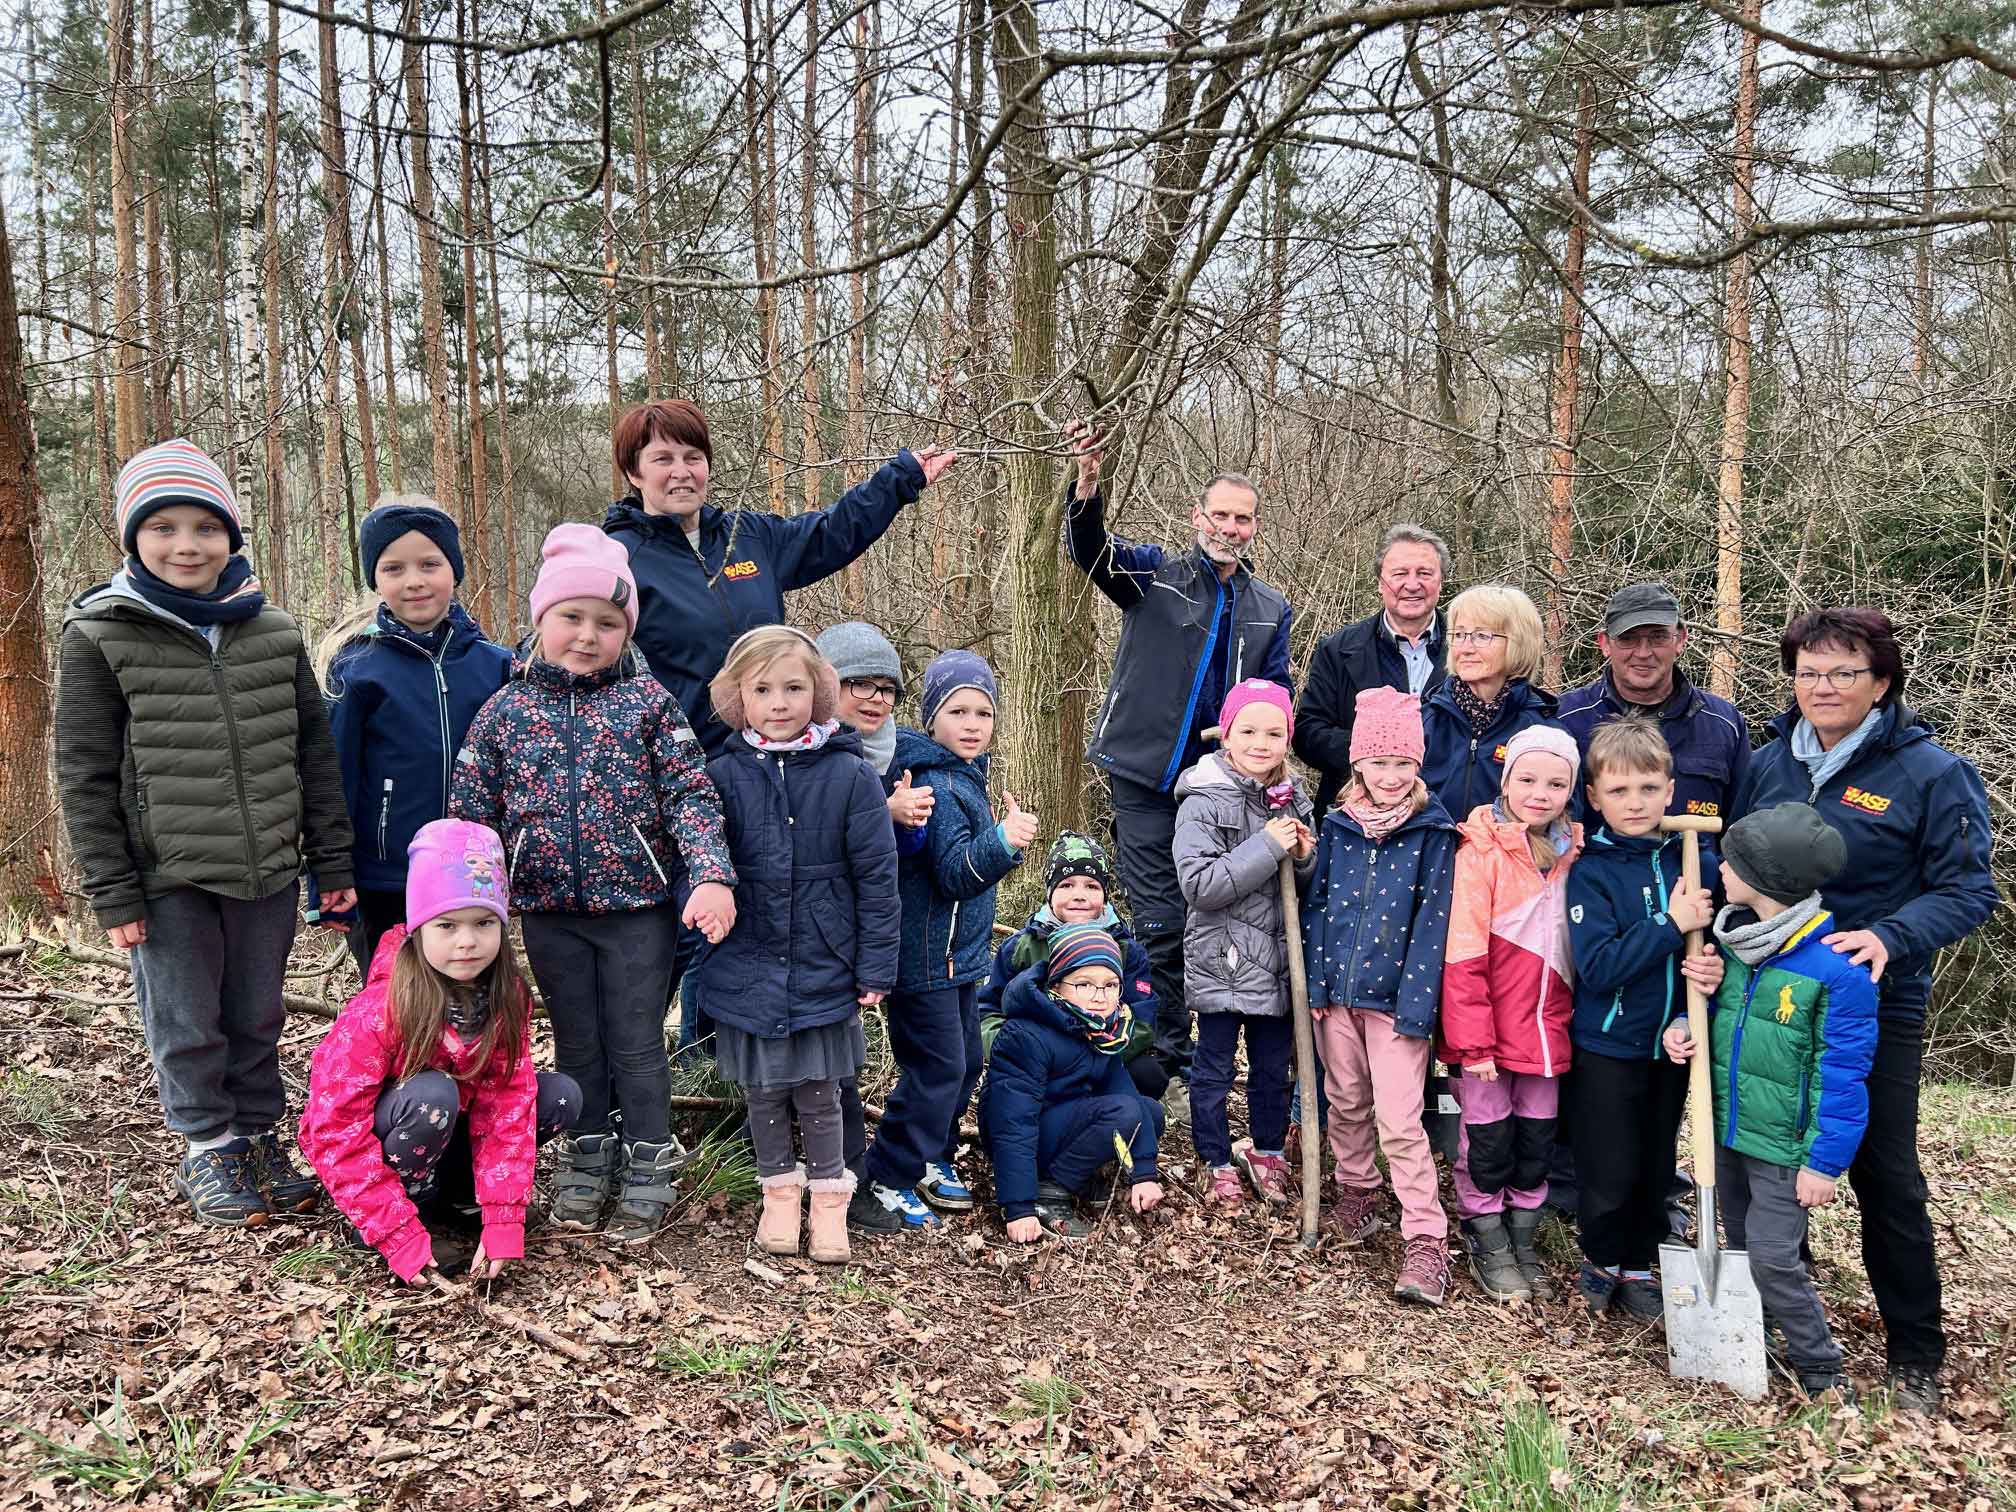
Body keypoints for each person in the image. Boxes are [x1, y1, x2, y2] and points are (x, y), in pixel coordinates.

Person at [55, 439, 355, 1225]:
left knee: (256, 1012)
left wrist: (330, 859)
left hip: (266, 867)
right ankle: (208, 1146)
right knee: (186, 1017)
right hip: (167, 873)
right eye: (164, 528)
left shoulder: (273, 630)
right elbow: (84, 777)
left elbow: (313, 753)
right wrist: (112, 890)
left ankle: (258, 1137)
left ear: (232, 535)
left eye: (204, 527)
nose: (187, 545)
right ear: (134, 539)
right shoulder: (99, 635)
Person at [1734, 607, 1998, 1414]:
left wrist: (1890, 935)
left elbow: (1969, 888)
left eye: (1843, 671)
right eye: (1809, 670)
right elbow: (1740, 866)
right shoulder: (1768, 762)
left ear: (1882, 683)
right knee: (1774, 1160)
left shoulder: (1930, 774)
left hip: (1874, 1001)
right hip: (1776, 999)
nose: (1823, 686)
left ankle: (1915, 1350)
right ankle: (1790, 1320)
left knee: (1885, 1173)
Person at [449, 525, 738, 1245]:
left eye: (607, 623)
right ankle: (587, 1153)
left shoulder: (649, 707)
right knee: (577, 1043)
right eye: (571, 618)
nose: (587, 635)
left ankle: (646, 1159)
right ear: (541, 621)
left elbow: (692, 796)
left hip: (638, 908)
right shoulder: (505, 713)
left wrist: (709, 874)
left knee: (637, 1040)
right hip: (547, 910)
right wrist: (468, 904)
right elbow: (471, 816)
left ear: (626, 631)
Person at [1061, 421, 1293, 1094]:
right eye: (1219, 514)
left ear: (1254, 526)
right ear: (1198, 517)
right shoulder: (1155, 574)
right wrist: (1088, 482)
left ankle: (1213, 1052)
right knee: (1160, 913)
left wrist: (1265, 760)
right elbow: (1089, 550)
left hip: (1223, 784)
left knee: (1214, 908)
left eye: (1242, 518)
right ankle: (1167, 1048)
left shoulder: (1269, 606)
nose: (1229, 527)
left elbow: (1275, 696)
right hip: (1142, 773)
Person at [298, 820, 582, 1284]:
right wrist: (397, 1234)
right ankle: (404, 1212)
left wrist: (502, 1218)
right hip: (386, 1148)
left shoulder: (507, 995)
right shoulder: (381, 1010)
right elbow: (334, 1129)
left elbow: (506, 1103)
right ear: (418, 928)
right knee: (433, 1095)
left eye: (483, 922)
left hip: (450, 1137)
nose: (466, 941)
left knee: (557, 1096)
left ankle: (463, 1198)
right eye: (447, 925)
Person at [698, 627, 899, 1265]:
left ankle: (830, 1205)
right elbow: (699, 859)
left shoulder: (850, 774)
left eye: (793, 687)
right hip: (748, 955)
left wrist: (875, 966)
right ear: (739, 699)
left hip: (824, 958)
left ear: (819, 694)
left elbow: (877, 880)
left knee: (820, 1089)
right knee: (764, 1091)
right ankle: (778, 1198)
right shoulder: (720, 774)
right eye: (762, 690)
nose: (779, 702)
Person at [602, 398, 958, 757]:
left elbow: (832, 532)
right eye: (663, 459)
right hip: (687, 773)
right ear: (634, 473)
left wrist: (898, 480)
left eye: (692, 457)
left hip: (772, 762)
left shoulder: (750, 537)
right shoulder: (617, 559)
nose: (681, 471)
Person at [1664, 802, 1877, 1400]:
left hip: (1787, 1148)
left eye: (1731, 863)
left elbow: (1843, 1075)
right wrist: (1683, 1025)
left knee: (1774, 1258)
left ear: (1766, 880)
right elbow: (1715, 1015)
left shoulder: (1837, 970)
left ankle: (1820, 1367)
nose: (1720, 871)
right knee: (1740, 1246)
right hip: (1727, 1131)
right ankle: (1747, 1337)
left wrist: (1824, 1163)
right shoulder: (1732, 944)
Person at [853, 651, 1035, 1232]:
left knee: (965, 1061)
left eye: (984, 712)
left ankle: (932, 1152)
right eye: (958, 711)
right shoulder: (933, 780)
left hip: (959, 957)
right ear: (932, 717)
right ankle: (886, 1175)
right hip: (924, 957)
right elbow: (954, 872)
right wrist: (1004, 842)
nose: (973, 723)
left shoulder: (963, 777)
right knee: (936, 1068)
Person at [1300, 688, 1459, 1305]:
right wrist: (1316, 983)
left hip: (1397, 1003)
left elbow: (1433, 925)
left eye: (1403, 764)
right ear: (1358, 764)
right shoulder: (1337, 827)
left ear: (1418, 766)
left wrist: (1417, 1009)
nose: (1391, 777)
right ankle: (1358, 1193)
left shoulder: (1432, 832)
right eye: (1379, 762)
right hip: (1336, 997)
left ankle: (1425, 1237)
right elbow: (1316, 908)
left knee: (1399, 1119)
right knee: (1345, 1102)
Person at [1564, 716, 1724, 1319]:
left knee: (1657, 1159)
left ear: (1670, 787)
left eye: (1649, 789)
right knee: (1610, 1162)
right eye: (1620, 791)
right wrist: (1671, 923)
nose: (1636, 803)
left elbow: (1721, 949)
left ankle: (1640, 1262)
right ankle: (1603, 1258)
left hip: (1675, 1045)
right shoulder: (1593, 871)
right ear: (1596, 797)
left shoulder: (1695, 861)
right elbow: (1601, 966)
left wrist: (1703, 991)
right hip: (1608, 1044)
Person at [316, 501, 513, 977]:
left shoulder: (496, 666)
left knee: (472, 1003)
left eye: (430, 564)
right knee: (393, 1005)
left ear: (454, 569)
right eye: (394, 568)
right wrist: (329, 876)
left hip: (474, 876)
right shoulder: (355, 669)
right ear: (375, 579)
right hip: (387, 875)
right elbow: (332, 777)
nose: (415, 581)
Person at [1440, 725, 1584, 1301]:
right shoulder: (1481, 852)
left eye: (1555, 783)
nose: (1540, 792)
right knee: (1488, 1136)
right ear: (1506, 780)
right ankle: (1486, 1231)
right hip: (1490, 1035)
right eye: (1527, 778)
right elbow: (1463, 953)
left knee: (1537, 1136)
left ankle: (1523, 1231)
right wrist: (1473, 1044)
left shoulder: (1578, 850)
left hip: (1549, 1031)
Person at [1173, 679, 1316, 1209]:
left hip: (1280, 961)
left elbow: (1302, 889)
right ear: (1226, 735)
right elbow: (1201, 886)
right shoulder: (1203, 797)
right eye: (1248, 730)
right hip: (1223, 958)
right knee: (1213, 1067)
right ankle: (1212, 1159)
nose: (1262, 742)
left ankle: (1268, 1151)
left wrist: (1302, 857)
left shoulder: (1294, 797)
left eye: (1274, 732)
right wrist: (1265, 845)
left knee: (1273, 1068)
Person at [816, 619, 935, 1182]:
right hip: (808, 928)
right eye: (858, 684)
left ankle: (849, 1174)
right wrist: (878, 813)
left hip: (868, 929)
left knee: (846, 1058)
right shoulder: (804, 749)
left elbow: (895, 863)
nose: (875, 699)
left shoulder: (899, 753)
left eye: (886, 687)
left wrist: (905, 822)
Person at [980, 925, 1167, 1240]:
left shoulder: (1102, 1030)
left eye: (1110, 986)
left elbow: (1125, 1094)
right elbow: (1013, 1123)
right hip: (1027, 1135)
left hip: (1063, 1122)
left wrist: (1144, 1173)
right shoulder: (1026, 1035)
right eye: (1084, 984)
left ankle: (1074, 1173)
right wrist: (1018, 1207)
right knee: (1122, 1114)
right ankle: (1047, 1191)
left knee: (1148, 1113)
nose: (1099, 997)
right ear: (1056, 986)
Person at [980, 831, 1167, 1101]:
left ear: (1105, 894)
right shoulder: (1020, 947)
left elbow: (1143, 1016)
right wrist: (1014, 1046)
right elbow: (986, 1010)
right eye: (1067, 885)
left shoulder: (1128, 950)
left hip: (1104, 1053)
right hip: (1037, 1056)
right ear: (1049, 893)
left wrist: (1093, 1051)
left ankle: (1110, 1117)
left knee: (1149, 1075)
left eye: (1091, 886)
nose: (1079, 896)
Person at [1556, 582, 1749, 831]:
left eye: (1658, 637)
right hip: (1595, 870)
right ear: (1604, 643)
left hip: (1696, 868)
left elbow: (1743, 827)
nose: (1644, 652)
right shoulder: (1565, 722)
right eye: (1628, 639)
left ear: (1680, 639)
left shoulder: (1724, 724)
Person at [1294, 524, 1452, 815]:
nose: (1412, 584)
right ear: (1380, 582)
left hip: (1444, 816)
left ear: (1441, 582)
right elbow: (1307, 734)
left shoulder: (1469, 649)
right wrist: (1377, 752)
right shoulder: (1338, 649)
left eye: (1425, 573)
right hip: (1355, 819)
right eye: (1400, 574)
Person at [1420, 584, 1558, 822]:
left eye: (1482, 636)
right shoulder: (1425, 720)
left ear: (1518, 642)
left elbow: (1561, 822)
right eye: (1459, 635)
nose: (1465, 648)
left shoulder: (1541, 732)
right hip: (1431, 856)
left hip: (1510, 856)